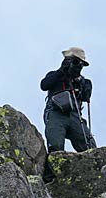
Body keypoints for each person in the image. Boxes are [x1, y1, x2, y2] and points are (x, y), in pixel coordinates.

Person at [40, 46, 96, 182]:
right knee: (56, 148)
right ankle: (50, 180)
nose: (77, 66)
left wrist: (84, 85)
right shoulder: (56, 75)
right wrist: (61, 71)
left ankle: (94, 175)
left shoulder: (83, 82)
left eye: (79, 63)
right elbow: (44, 85)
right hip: (56, 114)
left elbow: (85, 97)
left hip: (74, 115)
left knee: (89, 147)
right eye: (74, 61)